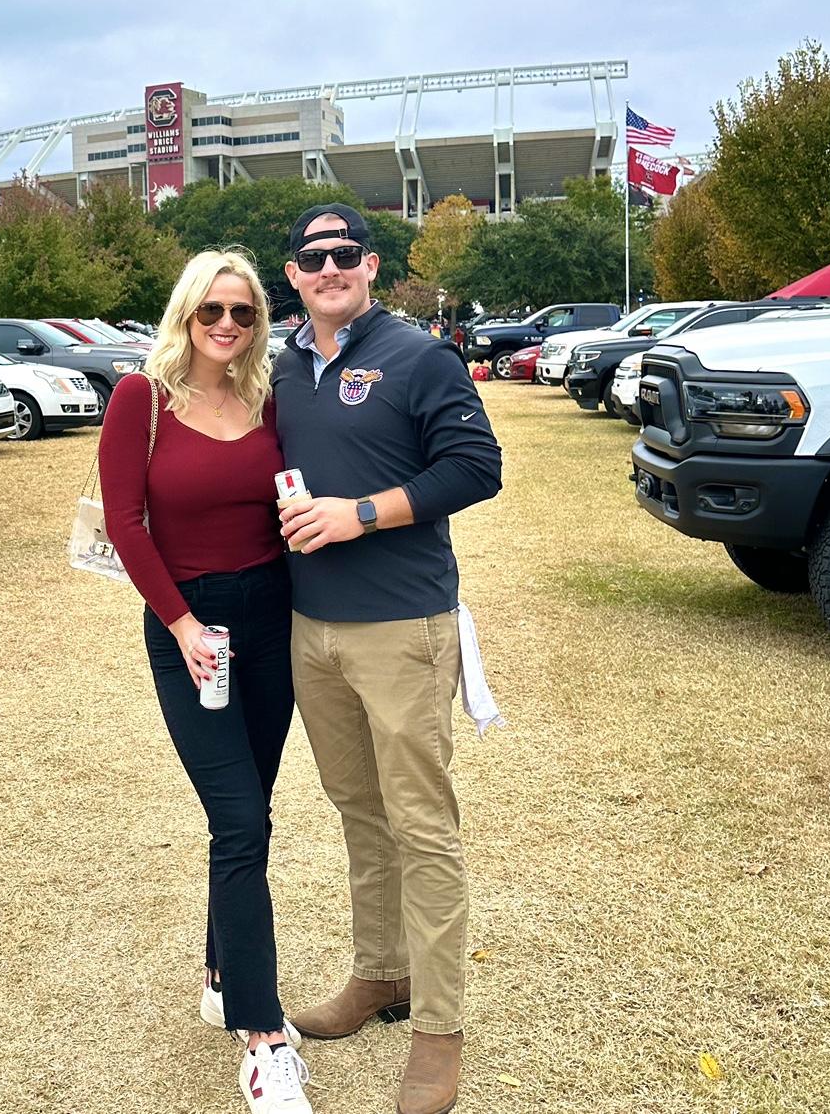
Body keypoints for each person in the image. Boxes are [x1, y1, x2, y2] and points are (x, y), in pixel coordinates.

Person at [271, 205, 503, 1114]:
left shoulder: (417, 355)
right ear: (292, 274)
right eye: (309, 257)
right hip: (310, 628)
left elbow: (476, 467)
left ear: (369, 264)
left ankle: (439, 1031)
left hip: (402, 627)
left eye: (342, 255)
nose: (327, 269)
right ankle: (381, 975)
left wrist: (360, 512)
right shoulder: (283, 366)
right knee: (358, 811)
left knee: (421, 825)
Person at [99, 249, 314, 1114]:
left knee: (250, 815)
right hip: (191, 630)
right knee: (237, 819)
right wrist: (183, 624)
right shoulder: (139, 400)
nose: (227, 326)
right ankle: (262, 1040)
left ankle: (224, 976)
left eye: (243, 313)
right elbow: (124, 521)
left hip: (274, 620)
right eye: (211, 311)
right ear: (185, 314)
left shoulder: (270, 400)